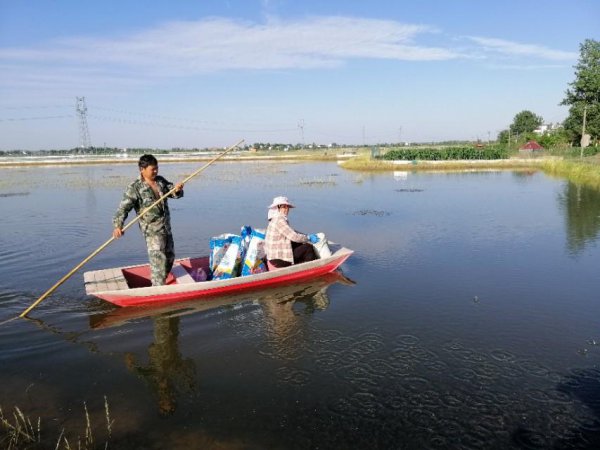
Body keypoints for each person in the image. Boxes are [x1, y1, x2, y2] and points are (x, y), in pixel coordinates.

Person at [113, 154, 184, 286]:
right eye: (153, 169)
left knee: (170, 257)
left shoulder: (160, 181)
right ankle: (158, 287)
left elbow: (173, 192)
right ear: (142, 169)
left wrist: (177, 190)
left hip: (165, 227)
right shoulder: (135, 188)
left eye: (157, 168)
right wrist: (118, 225)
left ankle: (162, 280)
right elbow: (123, 209)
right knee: (158, 261)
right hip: (151, 231)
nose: (156, 171)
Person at [265, 196, 319, 270]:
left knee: (298, 243)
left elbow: (291, 232)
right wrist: (308, 238)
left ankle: (302, 263)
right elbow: (294, 236)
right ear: (278, 208)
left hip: (273, 257)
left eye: (287, 207)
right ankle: (310, 270)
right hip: (278, 260)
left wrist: (305, 237)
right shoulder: (279, 220)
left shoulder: (275, 219)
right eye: (284, 207)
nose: (286, 209)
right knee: (308, 248)